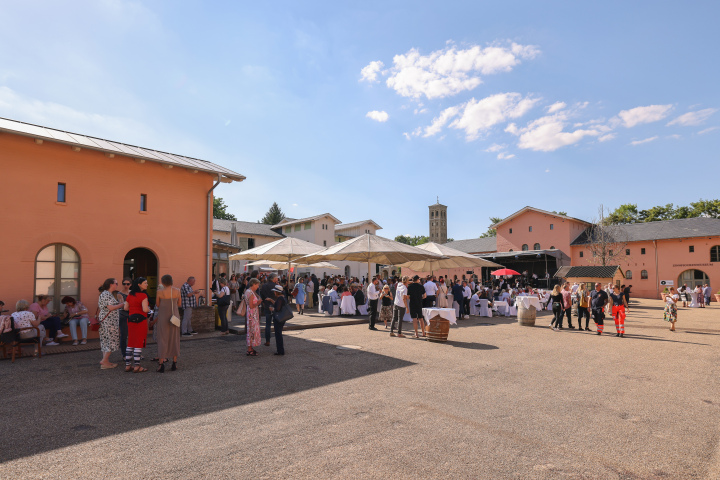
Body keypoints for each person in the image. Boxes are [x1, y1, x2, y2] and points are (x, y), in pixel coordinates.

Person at [154, 274, 181, 373]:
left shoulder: (159, 292)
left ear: (163, 282)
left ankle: (161, 364)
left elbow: (157, 304)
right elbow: (179, 304)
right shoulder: (177, 290)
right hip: (174, 316)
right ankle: (174, 363)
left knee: (162, 338)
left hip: (163, 316)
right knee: (174, 338)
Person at [123, 277, 150, 373]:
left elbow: (126, 308)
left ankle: (127, 365)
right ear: (139, 284)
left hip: (131, 320)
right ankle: (137, 366)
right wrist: (150, 310)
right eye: (145, 283)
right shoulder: (143, 296)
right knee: (138, 343)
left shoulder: (130, 295)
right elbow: (145, 309)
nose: (147, 284)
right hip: (141, 321)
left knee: (130, 342)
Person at [97, 278, 123, 369]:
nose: (117, 285)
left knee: (106, 341)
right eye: (116, 283)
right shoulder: (106, 294)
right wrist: (122, 304)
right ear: (111, 284)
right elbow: (111, 307)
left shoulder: (106, 294)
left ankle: (106, 362)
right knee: (111, 341)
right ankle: (104, 361)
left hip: (106, 321)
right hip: (109, 321)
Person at [244, 278, 262, 356]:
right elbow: (251, 305)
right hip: (252, 314)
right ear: (253, 284)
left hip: (250, 314)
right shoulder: (250, 293)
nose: (258, 287)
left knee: (251, 331)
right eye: (257, 285)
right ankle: (249, 349)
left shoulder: (249, 291)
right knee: (252, 331)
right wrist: (258, 303)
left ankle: (250, 348)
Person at [114, 277, 132, 356]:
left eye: (127, 284)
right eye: (124, 284)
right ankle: (124, 354)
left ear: (130, 285)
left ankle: (135, 353)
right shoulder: (119, 294)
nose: (126, 285)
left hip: (131, 315)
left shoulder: (132, 293)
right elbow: (123, 306)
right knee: (124, 335)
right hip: (123, 316)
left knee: (133, 335)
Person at [271, 284, 287, 355]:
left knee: (278, 334)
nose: (274, 292)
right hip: (282, 318)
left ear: (277, 292)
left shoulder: (280, 298)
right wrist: (272, 301)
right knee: (279, 334)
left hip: (278, 319)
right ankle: (280, 350)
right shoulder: (283, 297)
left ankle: (280, 351)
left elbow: (277, 308)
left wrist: (272, 309)